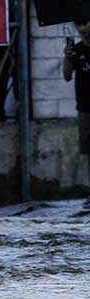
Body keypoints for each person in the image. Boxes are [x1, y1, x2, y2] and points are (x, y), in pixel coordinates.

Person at [63, 20, 90, 192]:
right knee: (88, 150)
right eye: (78, 25)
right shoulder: (77, 50)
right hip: (85, 108)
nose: (82, 29)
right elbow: (66, 76)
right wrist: (67, 57)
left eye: (85, 24)